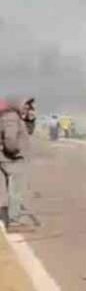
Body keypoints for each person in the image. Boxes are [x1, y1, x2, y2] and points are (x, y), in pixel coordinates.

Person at [0, 97, 32, 231]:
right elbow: (10, 138)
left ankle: (14, 218)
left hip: (8, 157)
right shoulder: (11, 116)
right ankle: (14, 221)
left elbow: (28, 131)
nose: (28, 109)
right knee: (16, 189)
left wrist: (30, 119)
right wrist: (15, 152)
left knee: (13, 188)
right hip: (11, 158)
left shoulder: (12, 116)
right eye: (26, 106)